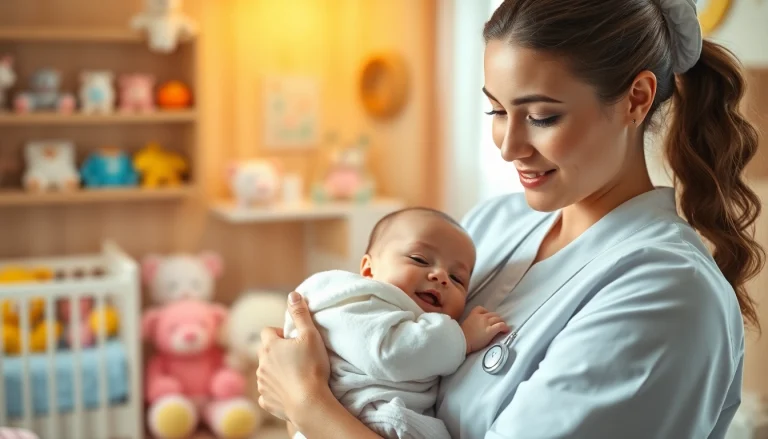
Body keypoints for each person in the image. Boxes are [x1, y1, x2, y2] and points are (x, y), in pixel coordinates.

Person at [256, 0, 764, 437]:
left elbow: (312, 400)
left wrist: (305, 402)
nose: (508, 147)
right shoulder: (493, 224)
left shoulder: (667, 295)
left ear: (637, 99)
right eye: (496, 111)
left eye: (542, 116)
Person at [285, 207, 509, 439]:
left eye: (457, 279)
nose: (441, 276)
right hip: (365, 414)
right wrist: (462, 339)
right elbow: (390, 352)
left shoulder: (414, 317)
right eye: (419, 259)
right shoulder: (355, 302)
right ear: (369, 269)